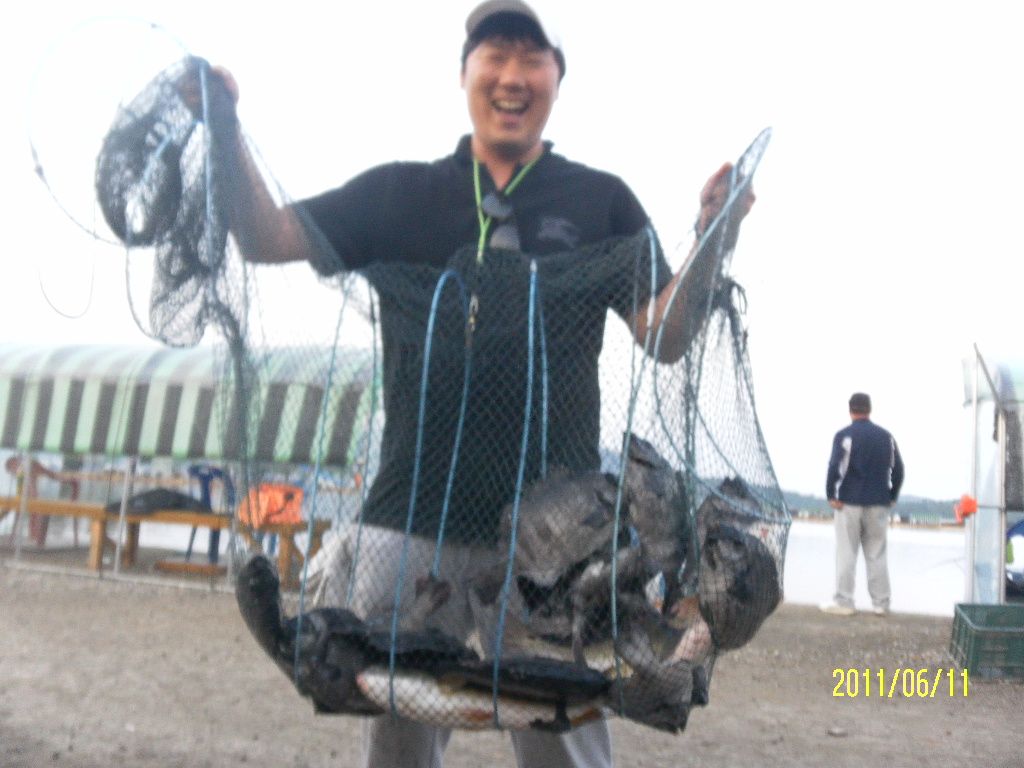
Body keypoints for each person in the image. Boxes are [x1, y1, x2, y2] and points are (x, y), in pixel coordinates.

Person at [204, 1, 755, 766]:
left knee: (561, 737)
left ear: (558, 78)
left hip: (556, 537)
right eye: (494, 55)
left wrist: (713, 235)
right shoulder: (399, 193)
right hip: (409, 516)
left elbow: (665, 336)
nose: (512, 76)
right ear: (463, 73)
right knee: (395, 735)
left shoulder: (601, 200)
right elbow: (265, 236)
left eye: (533, 58)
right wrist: (224, 129)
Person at [822, 393, 904, 617]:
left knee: (846, 552)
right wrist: (892, 495)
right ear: (869, 409)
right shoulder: (886, 437)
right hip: (878, 501)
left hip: (849, 501)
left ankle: (844, 601)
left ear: (850, 410)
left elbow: (835, 466)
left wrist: (831, 493)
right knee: (876, 553)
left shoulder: (844, 435)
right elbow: (898, 470)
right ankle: (881, 604)